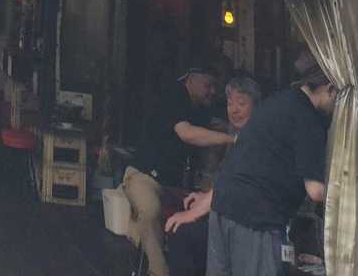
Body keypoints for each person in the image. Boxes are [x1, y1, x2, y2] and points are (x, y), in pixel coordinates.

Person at [205, 61, 337, 276]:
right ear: (330, 89)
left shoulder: (278, 100)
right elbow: (316, 190)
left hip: (222, 205)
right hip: (258, 216)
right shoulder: (309, 118)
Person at [123, 62, 236, 276]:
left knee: (199, 222)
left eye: (215, 87)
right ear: (190, 79)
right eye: (208, 85)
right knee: (149, 210)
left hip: (178, 185)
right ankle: (159, 271)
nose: (213, 91)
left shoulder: (202, 109)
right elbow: (187, 134)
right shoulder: (173, 95)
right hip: (145, 176)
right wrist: (232, 139)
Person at [164, 75, 262, 276]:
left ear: (256, 107)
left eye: (241, 103)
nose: (234, 110)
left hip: (246, 226)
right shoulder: (238, 139)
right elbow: (224, 183)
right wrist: (203, 198)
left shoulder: (257, 140)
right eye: (230, 103)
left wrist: (194, 213)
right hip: (227, 216)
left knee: (183, 232)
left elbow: (233, 186)